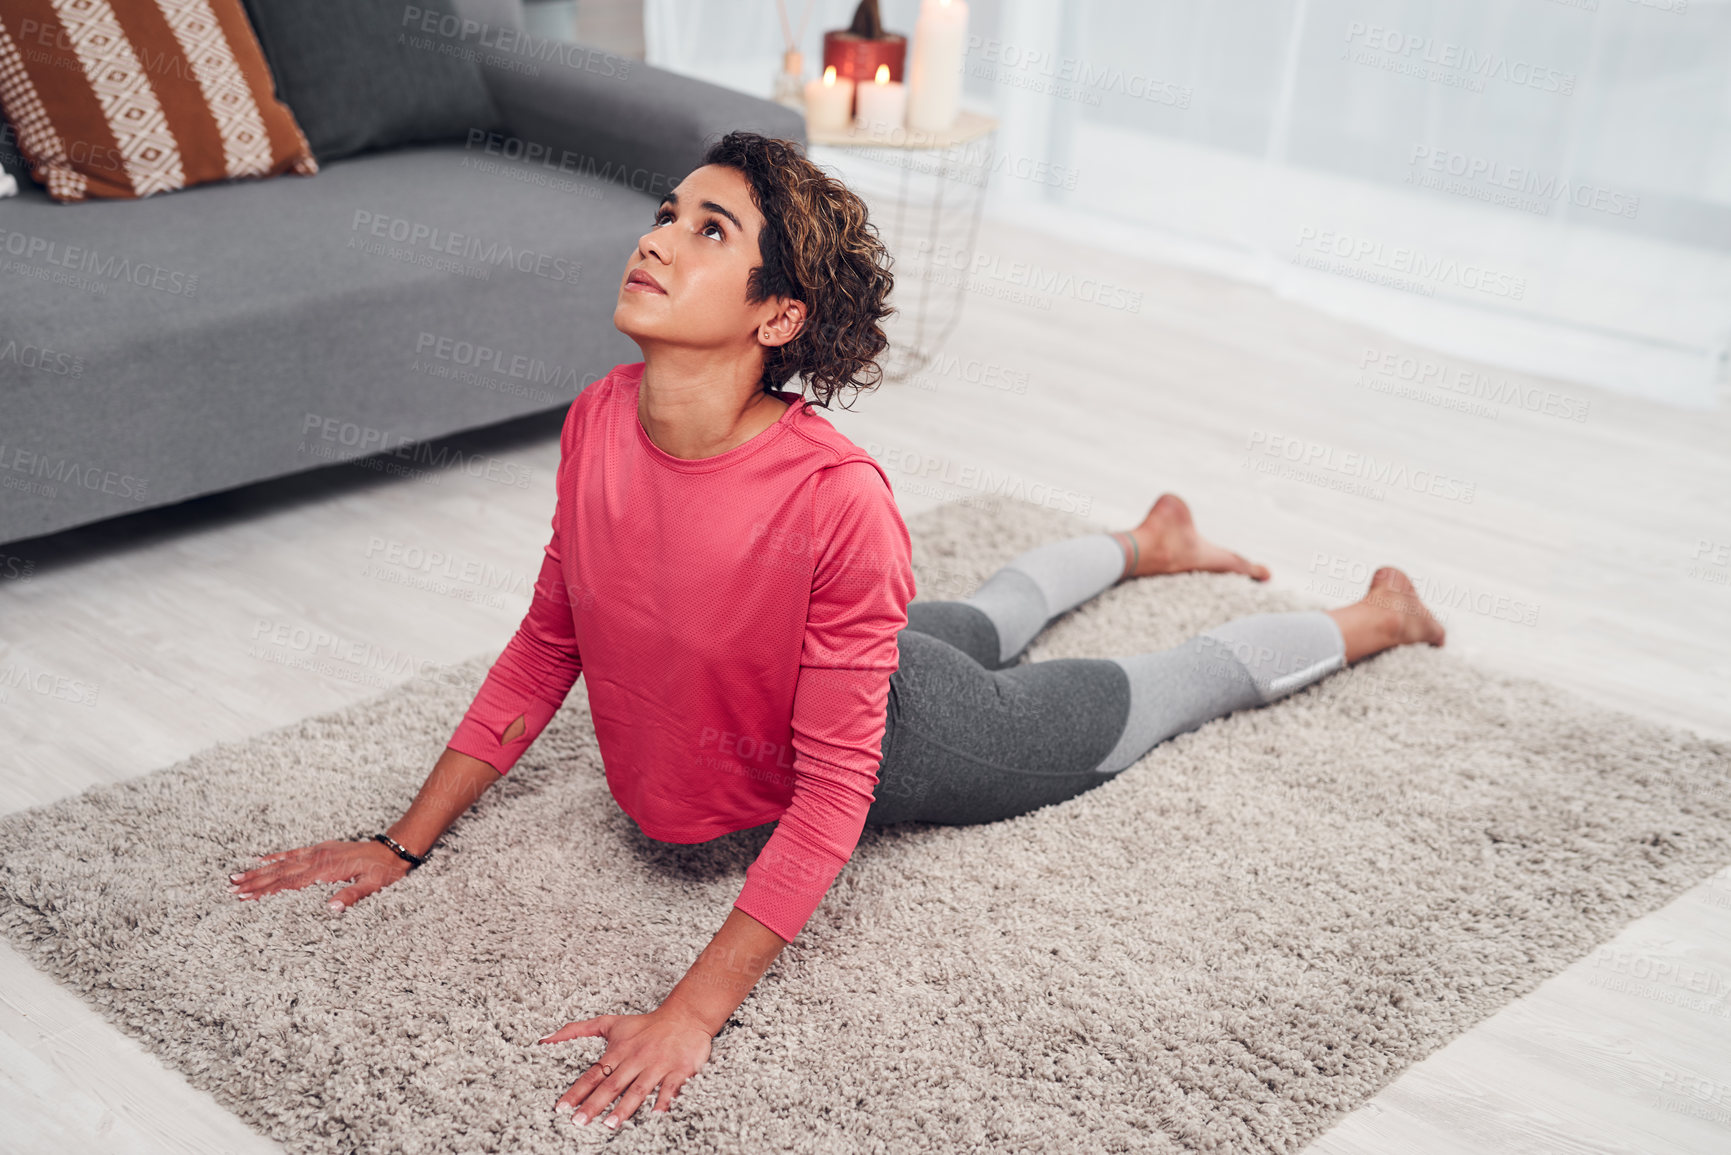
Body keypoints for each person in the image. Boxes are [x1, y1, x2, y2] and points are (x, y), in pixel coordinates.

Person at [225, 131, 1445, 1132]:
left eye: (712, 232)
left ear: (776, 318)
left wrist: (692, 1010)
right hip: (836, 664)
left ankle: (1375, 615)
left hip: (916, 736)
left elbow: (834, 793)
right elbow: (552, 643)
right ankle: (1145, 542)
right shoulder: (600, 417)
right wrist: (405, 841)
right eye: (668, 211)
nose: (657, 235)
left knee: (1136, 698)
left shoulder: (835, 498)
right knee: (964, 618)